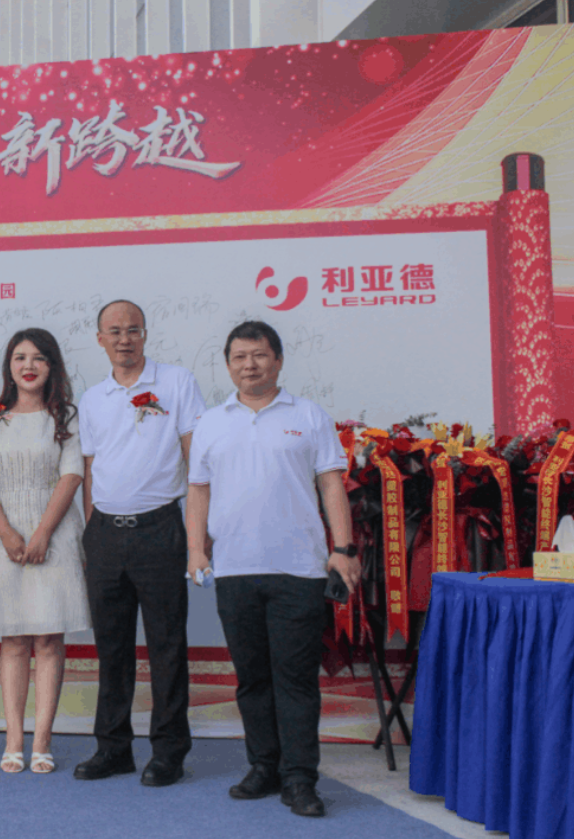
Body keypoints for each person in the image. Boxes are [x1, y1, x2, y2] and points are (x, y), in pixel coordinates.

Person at [185, 320, 359, 818]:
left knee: (295, 680)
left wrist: (342, 548)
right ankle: (263, 766)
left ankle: (300, 778)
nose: (250, 365)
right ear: (227, 365)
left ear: (278, 360)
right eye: (239, 357)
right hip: (234, 569)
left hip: (298, 569)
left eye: (259, 355)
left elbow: (331, 484)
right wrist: (196, 550)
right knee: (252, 678)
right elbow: (198, 490)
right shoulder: (211, 422)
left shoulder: (308, 415)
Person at [75, 300, 205, 786]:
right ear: (100, 339)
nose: (124, 339)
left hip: (160, 528)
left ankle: (169, 751)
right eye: (114, 331)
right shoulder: (93, 398)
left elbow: (197, 459)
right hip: (106, 533)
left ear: (145, 335)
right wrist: (91, 531)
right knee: (111, 648)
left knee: (166, 646)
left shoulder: (176, 382)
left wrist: (198, 533)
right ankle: (113, 748)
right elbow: (91, 469)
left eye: (133, 330)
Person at [0, 328, 90, 775]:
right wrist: (7, 534)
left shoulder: (66, 417)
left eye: (38, 358)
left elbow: (72, 474)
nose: (28, 365)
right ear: (9, 367)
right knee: (15, 639)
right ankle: (14, 741)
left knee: (50, 638)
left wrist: (42, 533)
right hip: (4, 537)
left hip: (54, 533)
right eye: (20, 357)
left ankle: (42, 742)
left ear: (52, 366)